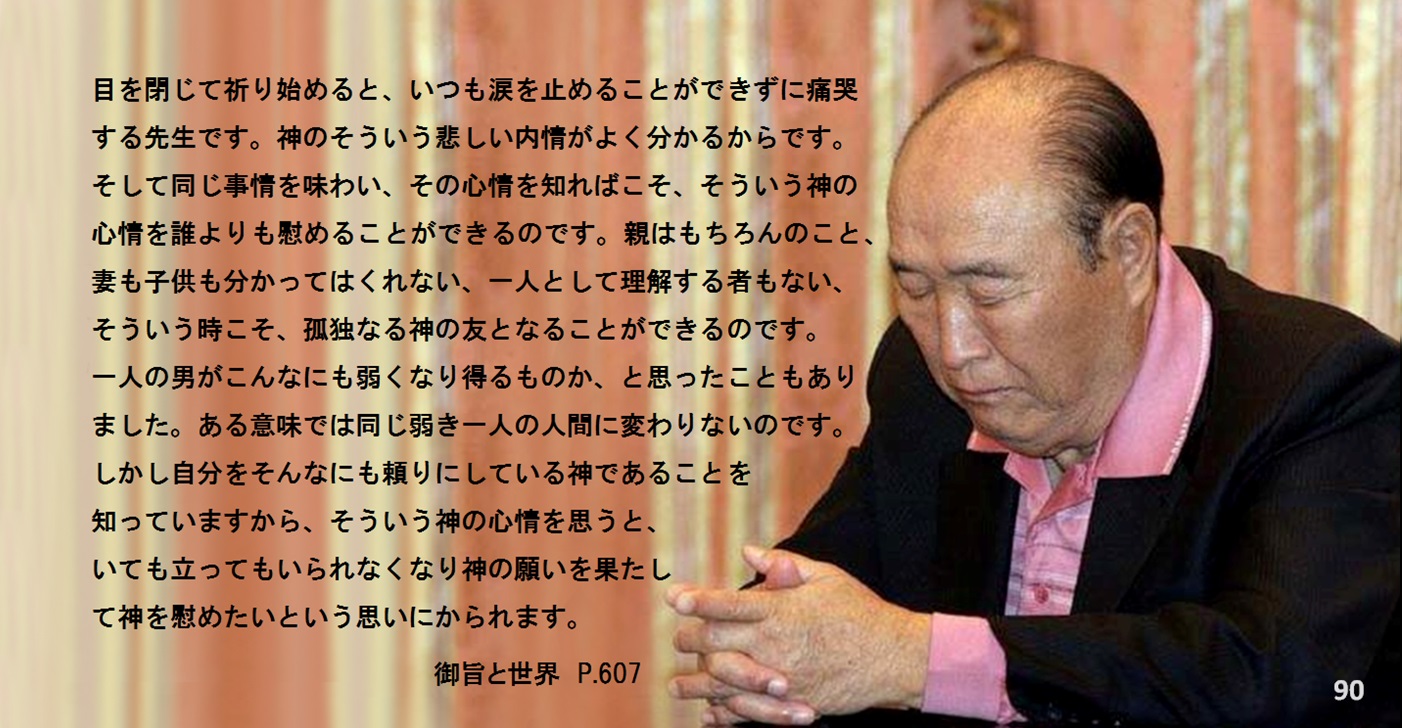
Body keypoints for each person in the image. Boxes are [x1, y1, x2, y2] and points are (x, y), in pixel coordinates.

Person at [665, 57, 1400, 727]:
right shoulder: (919, 380)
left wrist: (916, 659)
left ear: (1128, 252)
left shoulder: (1319, 388)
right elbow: (835, 588)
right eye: (915, 288)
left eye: (990, 290)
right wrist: (766, 656)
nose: (953, 346)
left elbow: (1287, 678)